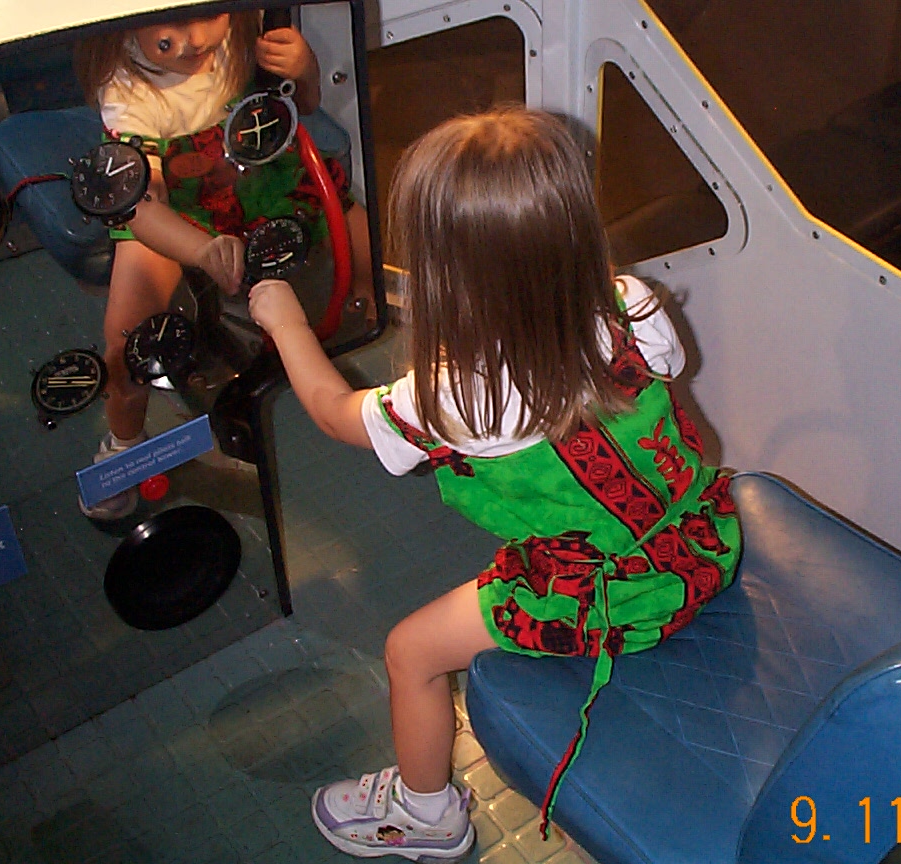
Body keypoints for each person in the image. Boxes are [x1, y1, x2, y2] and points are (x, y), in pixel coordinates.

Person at [248, 105, 741, 861]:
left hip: (608, 593)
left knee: (409, 652)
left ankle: (426, 815)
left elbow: (329, 411)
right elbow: (674, 402)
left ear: (446, 274)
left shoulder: (452, 400)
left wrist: (285, 323)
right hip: (702, 541)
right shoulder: (631, 304)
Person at [73, 10, 374, 518]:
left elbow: (302, 105)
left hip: (255, 171)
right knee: (125, 343)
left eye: (209, 14)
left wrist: (304, 70)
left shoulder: (243, 32)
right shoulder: (127, 87)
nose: (195, 40)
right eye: (169, 26)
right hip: (171, 204)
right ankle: (124, 443)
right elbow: (142, 206)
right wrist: (200, 250)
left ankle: (373, 322)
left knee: (361, 236)